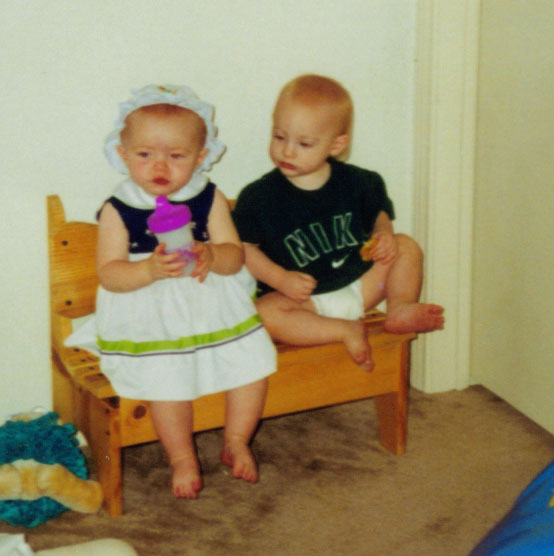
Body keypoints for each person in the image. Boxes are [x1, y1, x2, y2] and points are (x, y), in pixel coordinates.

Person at [67, 85, 276, 499]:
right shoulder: (118, 208)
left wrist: (213, 254)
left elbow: (235, 255)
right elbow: (109, 274)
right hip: (151, 312)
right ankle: (181, 457)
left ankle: (237, 440)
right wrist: (148, 269)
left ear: (200, 157)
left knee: (251, 365)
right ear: (123, 154)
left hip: (211, 303)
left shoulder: (208, 197)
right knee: (167, 382)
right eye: (145, 154)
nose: (159, 166)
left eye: (176, 156)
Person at [232, 74, 444, 372]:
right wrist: (280, 279)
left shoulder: (358, 182)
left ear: (336, 144)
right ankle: (343, 330)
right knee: (263, 314)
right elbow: (244, 249)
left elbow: (379, 214)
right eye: (279, 137)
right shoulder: (258, 197)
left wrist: (383, 234)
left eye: (304, 143)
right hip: (305, 301)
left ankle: (400, 307)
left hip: (363, 284)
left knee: (406, 246)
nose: (288, 151)